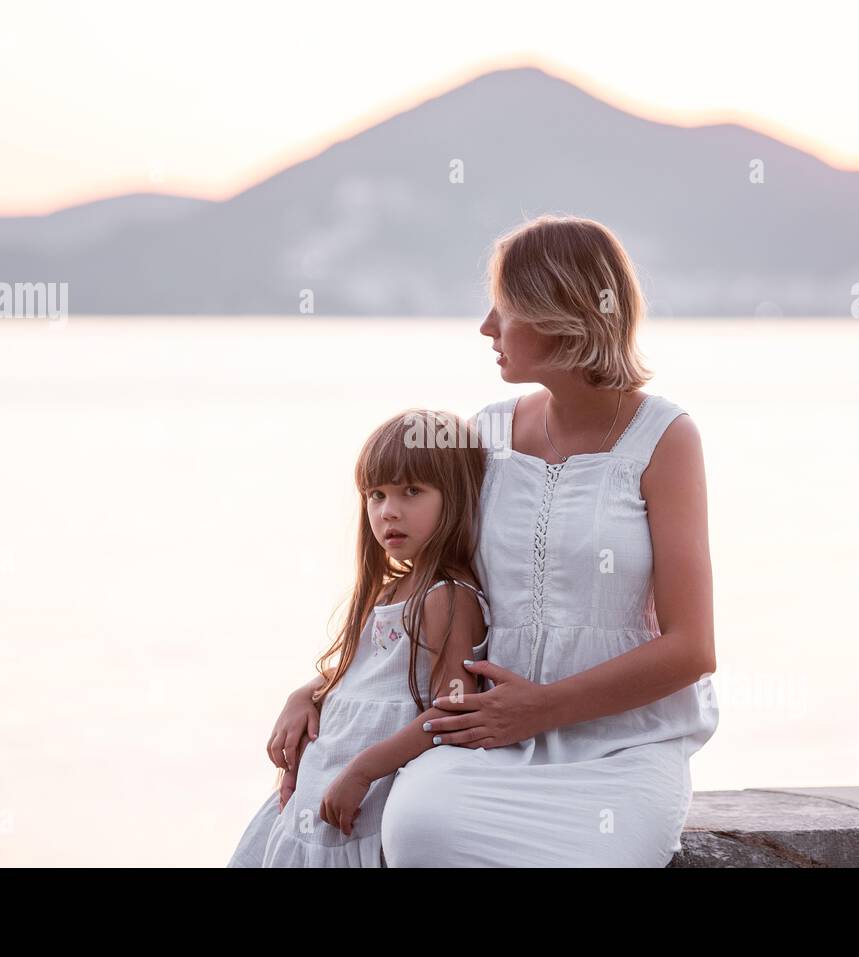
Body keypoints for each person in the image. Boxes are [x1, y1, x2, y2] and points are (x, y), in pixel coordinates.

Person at [378, 214, 720, 866]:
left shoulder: (665, 438)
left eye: (503, 308)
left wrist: (540, 708)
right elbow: (425, 583)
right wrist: (317, 688)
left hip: (625, 749)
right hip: (491, 740)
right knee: (419, 826)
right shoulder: (487, 432)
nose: (486, 327)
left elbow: (692, 648)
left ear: (558, 312)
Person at [226, 409, 491, 867]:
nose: (389, 510)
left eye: (412, 491)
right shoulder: (389, 590)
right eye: (376, 495)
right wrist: (304, 694)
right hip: (315, 795)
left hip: (363, 806)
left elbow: (453, 710)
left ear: (457, 497)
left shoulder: (446, 598)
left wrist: (365, 770)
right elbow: (362, 677)